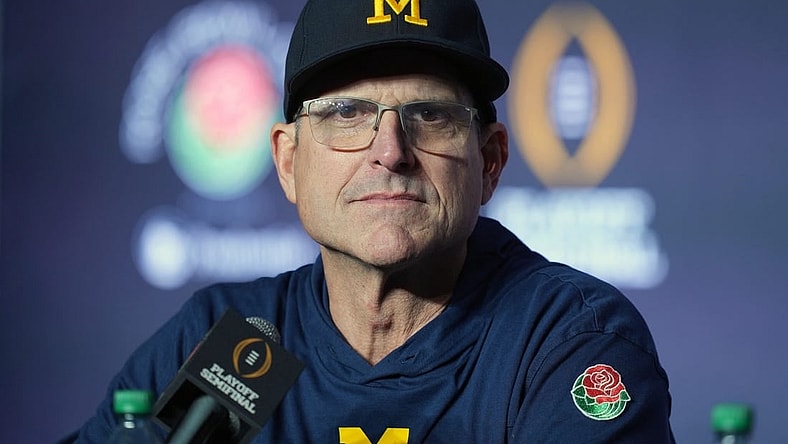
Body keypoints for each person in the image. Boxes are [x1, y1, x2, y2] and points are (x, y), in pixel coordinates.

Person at [75, 0, 675, 442]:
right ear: (287, 161)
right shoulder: (235, 344)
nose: (390, 150)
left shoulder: (563, 344)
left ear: (489, 162)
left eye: (431, 115)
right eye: (346, 114)